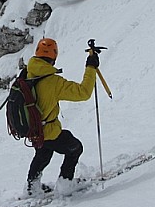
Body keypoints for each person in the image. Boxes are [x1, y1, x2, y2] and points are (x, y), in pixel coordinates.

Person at [25, 37, 99, 195]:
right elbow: (83, 92)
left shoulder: (28, 73)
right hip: (48, 130)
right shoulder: (53, 82)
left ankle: (32, 187)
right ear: (54, 56)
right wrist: (91, 67)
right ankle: (65, 184)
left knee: (44, 151)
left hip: (34, 129)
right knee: (75, 148)